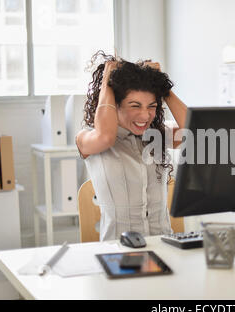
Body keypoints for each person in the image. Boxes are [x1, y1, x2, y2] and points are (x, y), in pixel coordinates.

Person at [76, 51, 187, 241]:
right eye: (135, 106)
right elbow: (106, 137)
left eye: (151, 106)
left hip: (164, 247)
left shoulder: (158, 134)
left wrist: (164, 88)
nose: (145, 116)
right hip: (119, 251)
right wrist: (107, 83)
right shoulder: (87, 138)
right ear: (114, 104)